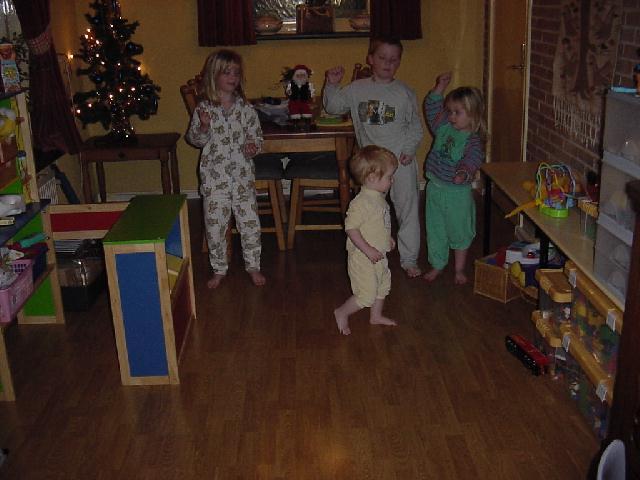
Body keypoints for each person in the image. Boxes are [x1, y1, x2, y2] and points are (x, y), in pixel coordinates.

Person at [324, 37, 424, 278]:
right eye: (382, 58)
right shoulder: (357, 89)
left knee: (407, 210)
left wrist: (409, 149)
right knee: (369, 211)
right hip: (371, 167)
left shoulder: (404, 92)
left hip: (401, 162)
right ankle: (369, 252)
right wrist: (331, 85)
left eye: (394, 59)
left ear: (399, 62)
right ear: (370, 59)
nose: (388, 63)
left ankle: (409, 258)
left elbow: (415, 126)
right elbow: (333, 107)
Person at [186, 49, 266, 289]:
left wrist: (253, 147)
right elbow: (195, 140)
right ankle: (219, 269)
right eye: (226, 73)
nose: (233, 77)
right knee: (215, 227)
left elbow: (257, 138)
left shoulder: (247, 110)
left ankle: (253, 266)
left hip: (242, 180)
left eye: (236, 73)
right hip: (214, 181)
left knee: (250, 224)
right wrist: (202, 126)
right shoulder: (204, 109)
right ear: (213, 76)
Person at [422, 72, 486, 285]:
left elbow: (473, 159)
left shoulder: (472, 140)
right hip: (435, 189)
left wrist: (463, 173)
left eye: (457, 112)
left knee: (460, 230)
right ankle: (438, 264)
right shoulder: (444, 127)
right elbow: (432, 109)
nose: (451, 116)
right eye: (450, 111)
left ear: (473, 114)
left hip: (457, 195)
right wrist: (440, 87)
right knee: (436, 229)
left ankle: (459, 269)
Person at [334, 145, 399, 335]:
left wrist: (388, 238)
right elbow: (351, 228)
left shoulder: (378, 197)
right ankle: (342, 312)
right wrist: (368, 249)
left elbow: (378, 224)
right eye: (389, 176)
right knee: (366, 294)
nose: (392, 180)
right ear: (372, 178)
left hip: (379, 254)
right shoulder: (361, 202)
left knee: (383, 285)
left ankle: (375, 316)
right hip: (363, 258)